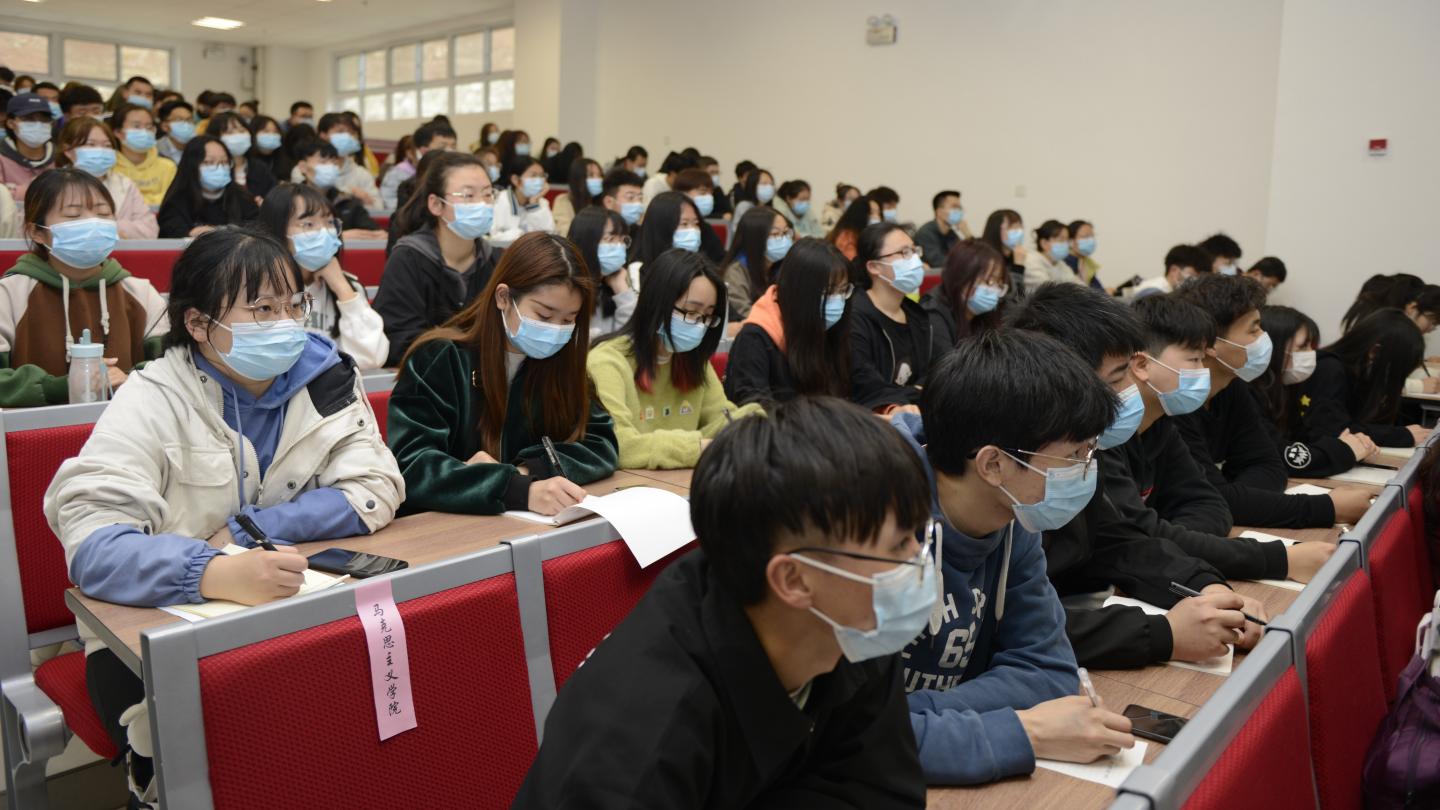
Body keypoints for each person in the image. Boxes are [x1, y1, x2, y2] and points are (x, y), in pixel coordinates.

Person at [46, 226, 402, 806]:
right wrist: (210, 571)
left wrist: (252, 532)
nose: (286, 323)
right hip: (153, 626)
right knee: (214, 756)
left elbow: (376, 487)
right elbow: (94, 543)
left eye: (293, 305)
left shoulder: (328, 377)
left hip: (290, 606)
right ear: (198, 323)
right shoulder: (153, 396)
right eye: (262, 309)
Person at [513, 396, 930, 808]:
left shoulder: (849, 626)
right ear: (793, 579)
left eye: (917, 536)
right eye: (898, 546)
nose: (917, 560)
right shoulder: (637, 744)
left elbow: (883, 793)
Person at [895, 329, 1136, 784]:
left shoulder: (1012, 519)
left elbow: (1049, 672)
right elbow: (848, 736)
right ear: (993, 464)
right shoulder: (873, 522)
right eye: (1075, 455)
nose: (1088, 469)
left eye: (1091, 451)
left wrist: (917, 720)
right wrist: (1020, 729)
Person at [1007, 284, 1264, 671]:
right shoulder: (1006, 474)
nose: (1133, 389)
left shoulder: (1081, 454)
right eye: (1117, 379)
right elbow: (1010, 624)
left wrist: (1205, 586)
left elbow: (1120, 542)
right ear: (1061, 379)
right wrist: (1164, 633)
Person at [1103, 294, 1334, 583]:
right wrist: (1277, 559)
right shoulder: (1103, 437)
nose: (1203, 372)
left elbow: (1211, 503)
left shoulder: (1160, 423)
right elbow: (1138, 537)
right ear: (1141, 365)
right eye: (1194, 359)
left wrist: (1175, 542)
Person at [387, 231, 617, 516]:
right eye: (544, 315)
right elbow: (412, 464)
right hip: (445, 523)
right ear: (504, 297)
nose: (555, 330)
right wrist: (514, 488)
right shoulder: (440, 358)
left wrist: (528, 469)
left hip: (525, 524)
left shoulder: (563, 362)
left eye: (569, 320)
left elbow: (601, 443)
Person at [1171, 274, 1372, 528]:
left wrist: (1239, 499)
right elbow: (1213, 498)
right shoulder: (1175, 402)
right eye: (1254, 329)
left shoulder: (1231, 385)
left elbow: (1269, 465)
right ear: (1210, 343)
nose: (1264, 337)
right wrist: (1327, 508)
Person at [0, 169, 168, 406]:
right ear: (36, 232)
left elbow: (173, 364)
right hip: (38, 427)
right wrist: (59, 388)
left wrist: (133, 379)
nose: (93, 224)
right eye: (73, 215)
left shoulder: (141, 292)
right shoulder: (9, 294)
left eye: (103, 214)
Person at [588, 249, 761, 469]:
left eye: (707, 316)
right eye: (691, 312)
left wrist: (755, 424)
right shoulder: (607, 362)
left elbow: (723, 419)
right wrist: (702, 447)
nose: (700, 325)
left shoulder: (692, 359)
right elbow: (618, 445)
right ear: (657, 303)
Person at [373, 152, 503, 366]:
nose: (482, 204)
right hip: (425, 379)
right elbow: (399, 340)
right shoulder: (408, 259)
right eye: (468, 195)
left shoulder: (497, 261)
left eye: (488, 194)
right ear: (436, 204)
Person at [258, 184, 388, 369]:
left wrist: (342, 288)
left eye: (329, 222)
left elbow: (372, 358)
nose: (324, 232)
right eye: (308, 224)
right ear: (277, 231)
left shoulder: (348, 286)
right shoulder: (257, 288)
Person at [1252, 305, 1379, 478]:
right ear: (1273, 347)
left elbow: (1302, 439)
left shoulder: (1284, 389)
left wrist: (1351, 443)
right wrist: (1345, 450)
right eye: (1303, 347)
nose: (1311, 354)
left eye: (1312, 346)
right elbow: (1280, 455)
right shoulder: (1248, 392)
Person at [725, 238, 852, 407]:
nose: (838, 300)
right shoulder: (755, 339)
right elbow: (754, 410)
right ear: (799, 290)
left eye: (842, 290)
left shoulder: (833, 328)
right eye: (828, 291)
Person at [1300, 308, 1431, 450]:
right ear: (1375, 351)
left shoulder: (1357, 374)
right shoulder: (1330, 369)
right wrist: (1402, 435)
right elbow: (1335, 430)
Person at [849, 223, 936, 413]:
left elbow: (929, 376)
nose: (915, 260)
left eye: (914, 251)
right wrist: (915, 394)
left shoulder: (917, 315)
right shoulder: (855, 317)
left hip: (917, 412)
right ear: (874, 267)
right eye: (904, 253)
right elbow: (868, 387)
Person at [54, 117, 157, 239]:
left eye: (107, 145)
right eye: (91, 144)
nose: (101, 151)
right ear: (68, 150)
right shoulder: (53, 185)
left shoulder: (125, 184)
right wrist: (115, 228)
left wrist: (108, 228)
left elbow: (150, 230)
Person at [157, 135, 260, 238]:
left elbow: (258, 232)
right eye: (209, 162)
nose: (219, 168)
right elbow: (170, 235)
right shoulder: (176, 203)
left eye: (224, 162)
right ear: (192, 165)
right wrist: (190, 234)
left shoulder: (242, 197)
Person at [921, 238, 1009, 349]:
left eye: (998, 284)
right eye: (989, 281)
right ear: (962, 276)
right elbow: (947, 360)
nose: (994, 290)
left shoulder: (984, 316)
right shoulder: (934, 316)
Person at [291, 139, 384, 239]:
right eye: (323, 162)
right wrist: (339, 236)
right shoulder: (291, 200)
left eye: (334, 163)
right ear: (303, 167)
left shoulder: (346, 201)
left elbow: (375, 232)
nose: (330, 167)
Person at [566, 206, 636, 336]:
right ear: (586, 241)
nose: (619, 247)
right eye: (610, 239)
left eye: (622, 240)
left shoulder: (611, 285)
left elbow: (631, 338)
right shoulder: (567, 288)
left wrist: (622, 290)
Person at [721, 205, 791, 322]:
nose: (784, 239)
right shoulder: (735, 273)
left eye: (785, 232)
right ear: (756, 239)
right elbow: (746, 314)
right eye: (775, 234)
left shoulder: (781, 266)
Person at [301, 113, 378, 207]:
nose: (347, 136)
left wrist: (362, 202)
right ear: (323, 135)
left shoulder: (361, 173)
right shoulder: (306, 168)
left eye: (351, 133)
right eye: (340, 132)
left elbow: (377, 206)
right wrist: (348, 193)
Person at [630, 191, 704, 285]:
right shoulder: (638, 270)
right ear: (661, 227)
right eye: (684, 224)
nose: (693, 230)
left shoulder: (698, 265)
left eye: (696, 223)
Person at [110, 102, 176, 207]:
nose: (144, 131)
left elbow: (171, 201)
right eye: (136, 126)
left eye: (149, 127)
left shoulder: (168, 166)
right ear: (118, 132)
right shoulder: (108, 166)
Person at [380, 120, 456, 210]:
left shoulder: (455, 173)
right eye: (442, 146)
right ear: (423, 150)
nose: (450, 151)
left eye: (453, 146)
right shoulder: (398, 175)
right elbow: (389, 203)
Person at [203, 111, 275, 203]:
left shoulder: (260, 168)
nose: (238, 136)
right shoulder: (209, 169)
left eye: (242, 131)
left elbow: (274, 198)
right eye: (229, 132)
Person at [1, 93, 56, 200]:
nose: (38, 124)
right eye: (29, 119)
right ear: (11, 123)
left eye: (44, 119)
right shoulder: (2, 159)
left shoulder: (60, 157)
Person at [490, 155, 555, 242]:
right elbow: (493, 236)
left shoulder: (542, 202)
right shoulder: (499, 200)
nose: (539, 180)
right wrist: (522, 235)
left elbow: (549, 235)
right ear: (515, 179)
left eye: (542, 176)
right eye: (533, 176)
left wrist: (534, 204)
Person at [671, 168, 727, 262]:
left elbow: (720, 259)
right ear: (683, 193)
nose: (709, 198)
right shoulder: (668, 225)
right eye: (703, 192)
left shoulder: (706, 228)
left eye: (710, 193)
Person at [913, 191, 970, 270]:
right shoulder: (925, 233)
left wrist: (968, 235)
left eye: (959, 208)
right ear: (939, 211)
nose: (958, 211)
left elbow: (969, 258)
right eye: (954, 207)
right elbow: (938, 263)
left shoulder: (952, 233)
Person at [1131, 244, 1210, 300]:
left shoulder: (1167, 292)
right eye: (1192, 276)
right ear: (1174, 270)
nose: (1195, 282)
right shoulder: (1153, 294)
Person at [1022, 220, 1077, 294]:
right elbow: (1050, 292)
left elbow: (1078, 286)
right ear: (1044, 243)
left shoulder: (1059, 264)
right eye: (1061, 239)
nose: (1066, 244)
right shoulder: (1031, 262)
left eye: (1067, 240)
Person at [551, 157, 603, 234]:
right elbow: (564, 233)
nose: (598, 179)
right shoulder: (564, 200)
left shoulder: (604, 201)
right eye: (591, 175)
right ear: (578, 178)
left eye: (599, 175)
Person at [979, 209, 1026, 294]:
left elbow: (1020, 296)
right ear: (996, 229)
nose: (1019, 232)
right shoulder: (983, 256)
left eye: (1020, 227)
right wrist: (1018, 267)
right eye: (1012, 227)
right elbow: (1009, 295)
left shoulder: (1015, 255)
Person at [826, 194, 879, 261]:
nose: (877, 217)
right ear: (860, 214)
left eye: (878, 213)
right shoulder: (847, 237)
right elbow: (851, 263)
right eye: (871, 213)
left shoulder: (866, 235)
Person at [600, 167, 645, 231]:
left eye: (640, 198)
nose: (638, 203)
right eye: (630, 197)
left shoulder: (641, 231)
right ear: (609, 202)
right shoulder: (597, 232)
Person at [1064, 220, 1104, 291]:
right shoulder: (1065, 262)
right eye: (1086, 236)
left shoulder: (1087, 262)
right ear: (1071, 241)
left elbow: (1097, 288)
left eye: (1092, 236)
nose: (1091, 240)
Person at [155, 99, 196, 164]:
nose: (186, 124)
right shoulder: (154, 150)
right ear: (165, 126)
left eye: (189, 119)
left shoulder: (201, 148)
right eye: (179, 119)